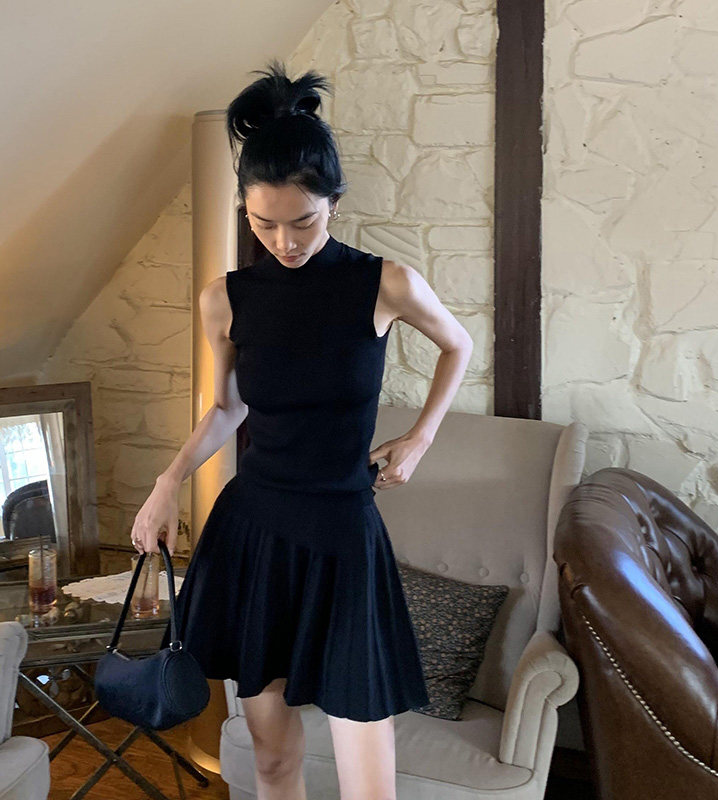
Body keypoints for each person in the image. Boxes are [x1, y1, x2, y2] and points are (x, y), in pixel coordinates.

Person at [130, 59, 473, 800]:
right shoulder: (225, 298)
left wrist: (419, 437)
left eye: (303, 222)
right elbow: (228, 407)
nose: (284, 241)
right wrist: (167, 482)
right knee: (273, 761)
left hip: (343, 535)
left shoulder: (385, 283)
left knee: (369, 785)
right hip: (255, 532)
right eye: (264, 224)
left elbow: (458, 344)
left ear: (334, 205)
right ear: (246, 210)